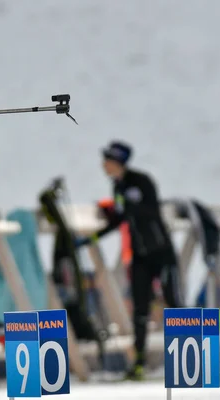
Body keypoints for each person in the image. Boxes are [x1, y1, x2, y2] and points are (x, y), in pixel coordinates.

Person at [75, 140, 182, 380]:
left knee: (174, 303)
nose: (104, 165)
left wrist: (129, 206)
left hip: (161, 252)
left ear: (118, 162)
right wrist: (93, 237)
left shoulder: (140, 181)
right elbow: (120, 219)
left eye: (108, 161)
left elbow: (151, 210)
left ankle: (190, 360)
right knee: (140, 310)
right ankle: (139, 363)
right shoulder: (119, 186)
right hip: (140, 256)